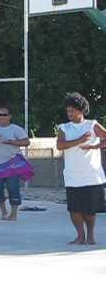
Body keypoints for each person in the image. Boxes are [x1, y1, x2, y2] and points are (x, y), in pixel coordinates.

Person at [56, 92, 106, 245]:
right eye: (68, 111)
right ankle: (80, 236)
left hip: (92, 175)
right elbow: (60, 145)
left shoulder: (92, 125)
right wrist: (79, 140)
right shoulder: (64, 128)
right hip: (72, 175)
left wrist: (95, 145)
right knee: (74, 209)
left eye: (72, 110)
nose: (69, 113)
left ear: (81, 110)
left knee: (90, 209)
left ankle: (90, 236)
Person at [0, 105, 30, 221]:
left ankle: (13, 214)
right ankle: (3, 211)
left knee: (13, 188)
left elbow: (26, 141)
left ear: (10, 116)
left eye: (4, 115)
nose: (1, 117)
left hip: (12, 164)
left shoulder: (16, 129)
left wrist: (13, 142)